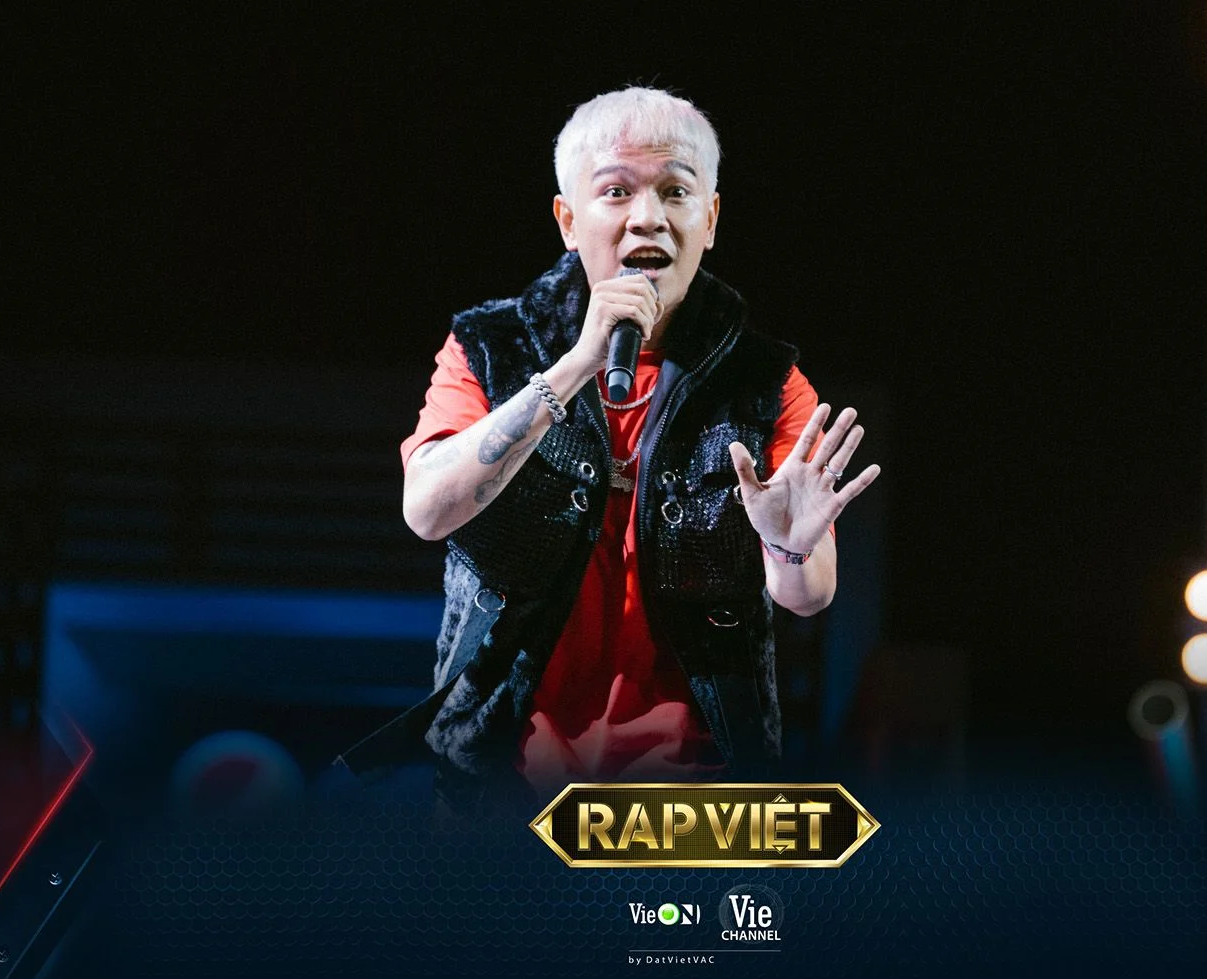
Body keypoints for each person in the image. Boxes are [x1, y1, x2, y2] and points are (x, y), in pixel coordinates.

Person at [338, 86, 879, 808]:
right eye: (617, 191)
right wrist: (572, 369)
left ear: (710, 219)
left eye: (675, 192)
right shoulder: (490, 348)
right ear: (568, 220)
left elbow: (809, 596)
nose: (648, 216)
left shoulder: (763, 381)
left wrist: (788, 546)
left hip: (691, 790)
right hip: (501, 783)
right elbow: (427, 511)